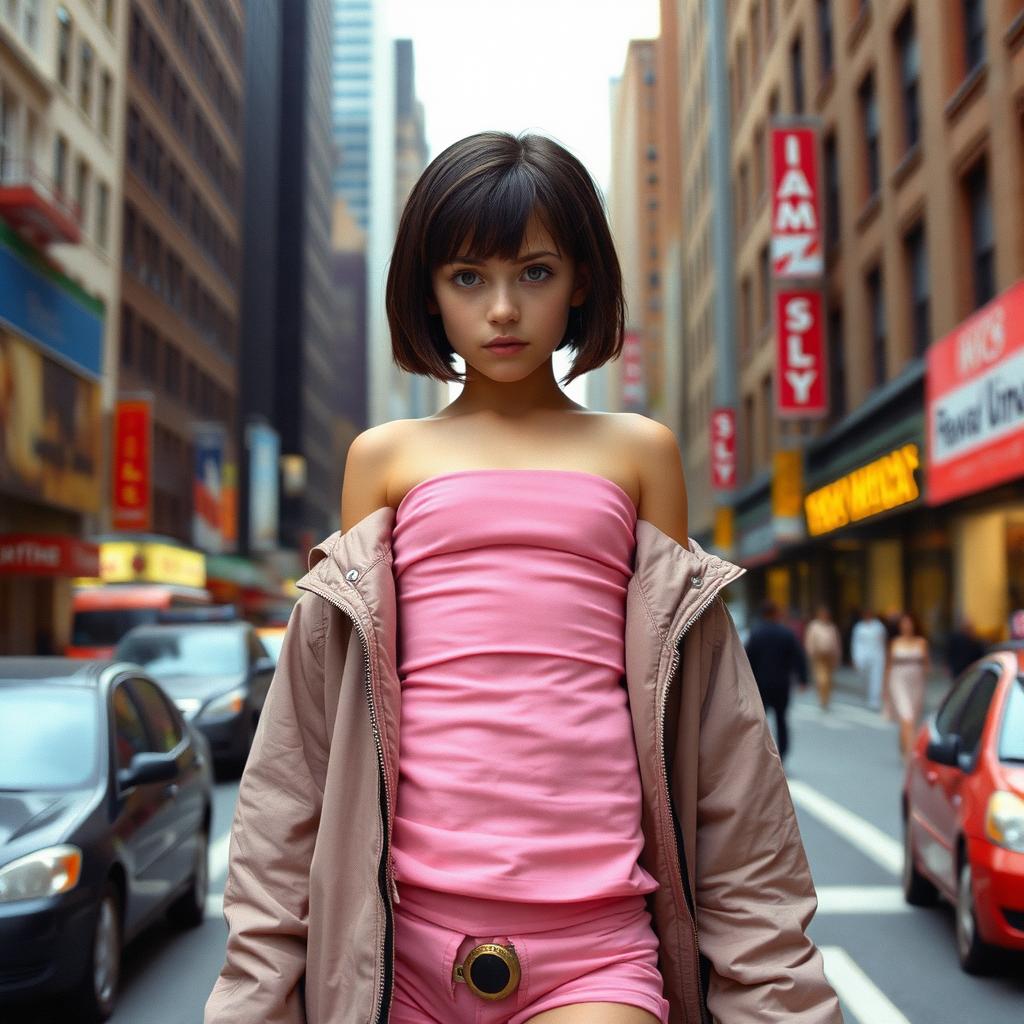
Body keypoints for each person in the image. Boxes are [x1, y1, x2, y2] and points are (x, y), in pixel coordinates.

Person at [205, 132, 841, 1024]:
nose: (502, 309)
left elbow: (713, 749)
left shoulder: (640, 453)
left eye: (534, 273)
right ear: (427, 290)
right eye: (468, 277)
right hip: (399, 948)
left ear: (581, 279)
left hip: (599, 946)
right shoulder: (381, 460)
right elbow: (303, 761)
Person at [744, 599, 808, 763]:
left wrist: (744, 680)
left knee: (760, 720)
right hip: (782, 683)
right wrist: (803, 678)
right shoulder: (785, 633)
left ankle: (760, 753)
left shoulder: (756, 633)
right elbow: (798, 657)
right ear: (774, 614)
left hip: (761, 684)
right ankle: (783, 753)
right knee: (781, 719)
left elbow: (747, 658)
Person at [887, 612, 930, 758]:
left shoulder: (921, 642)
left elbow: (926, 666)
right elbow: (888, 665)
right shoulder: (895, 642)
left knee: (912, 719)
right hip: (898, 680)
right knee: (907, 717)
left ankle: (903, 744)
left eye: (909, 623)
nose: (907, 626)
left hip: (915, 682)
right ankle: (910, 756)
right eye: (904, 623)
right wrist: (885, 689)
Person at [803, 604, 842, 710]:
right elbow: (809, 641)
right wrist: (810, 653)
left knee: (829, 680)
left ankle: (826, 699)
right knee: (822, 679)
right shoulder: (814, 626)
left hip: (829, 657)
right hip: (818, 656)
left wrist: (837, 656)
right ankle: (822, 699)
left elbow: (836, 642)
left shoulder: (832, 627)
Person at [851, 608, 888, 711]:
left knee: (876, 678)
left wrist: (884, 656)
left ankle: (874, 700)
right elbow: (855, 643)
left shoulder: (879, 626)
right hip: (862, 655)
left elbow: (882, 641)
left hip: (876, 655)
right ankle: (864, 694)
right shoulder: (859, 627)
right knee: (863, 677)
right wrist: (855, 657)